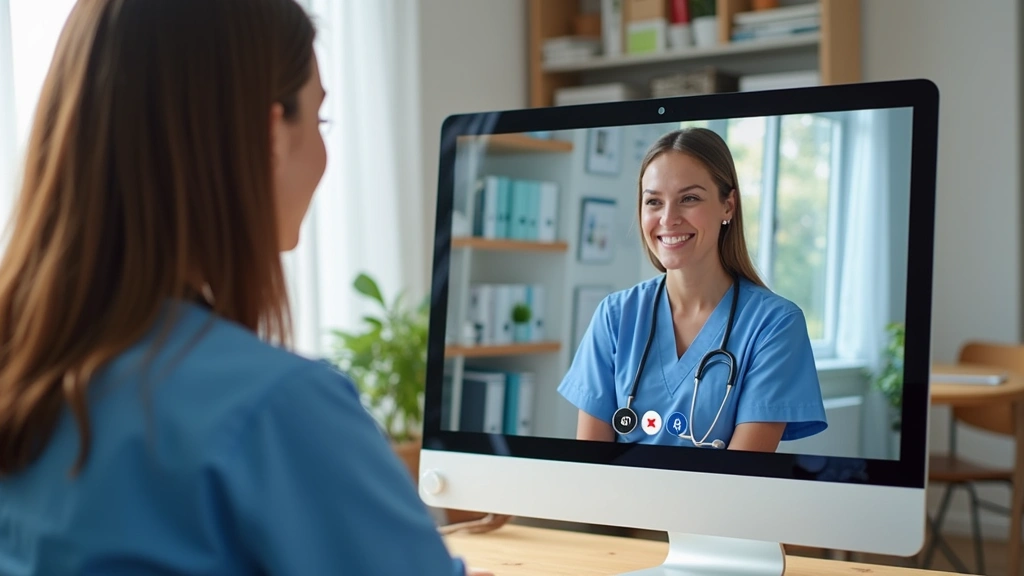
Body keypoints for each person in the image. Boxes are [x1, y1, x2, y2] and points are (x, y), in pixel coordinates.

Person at [0, 1, 490, 574]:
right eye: (319, 121)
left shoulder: (25, 374)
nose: (324, 152)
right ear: (271, 136)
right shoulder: (275, 411)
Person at [557, 128, 827, 452]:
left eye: (689, 199)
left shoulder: (774, 325)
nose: (668, 219)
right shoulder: (616, 317)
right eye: (654, 201)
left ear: (728, 205)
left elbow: (740, 477)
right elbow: (592, 467)